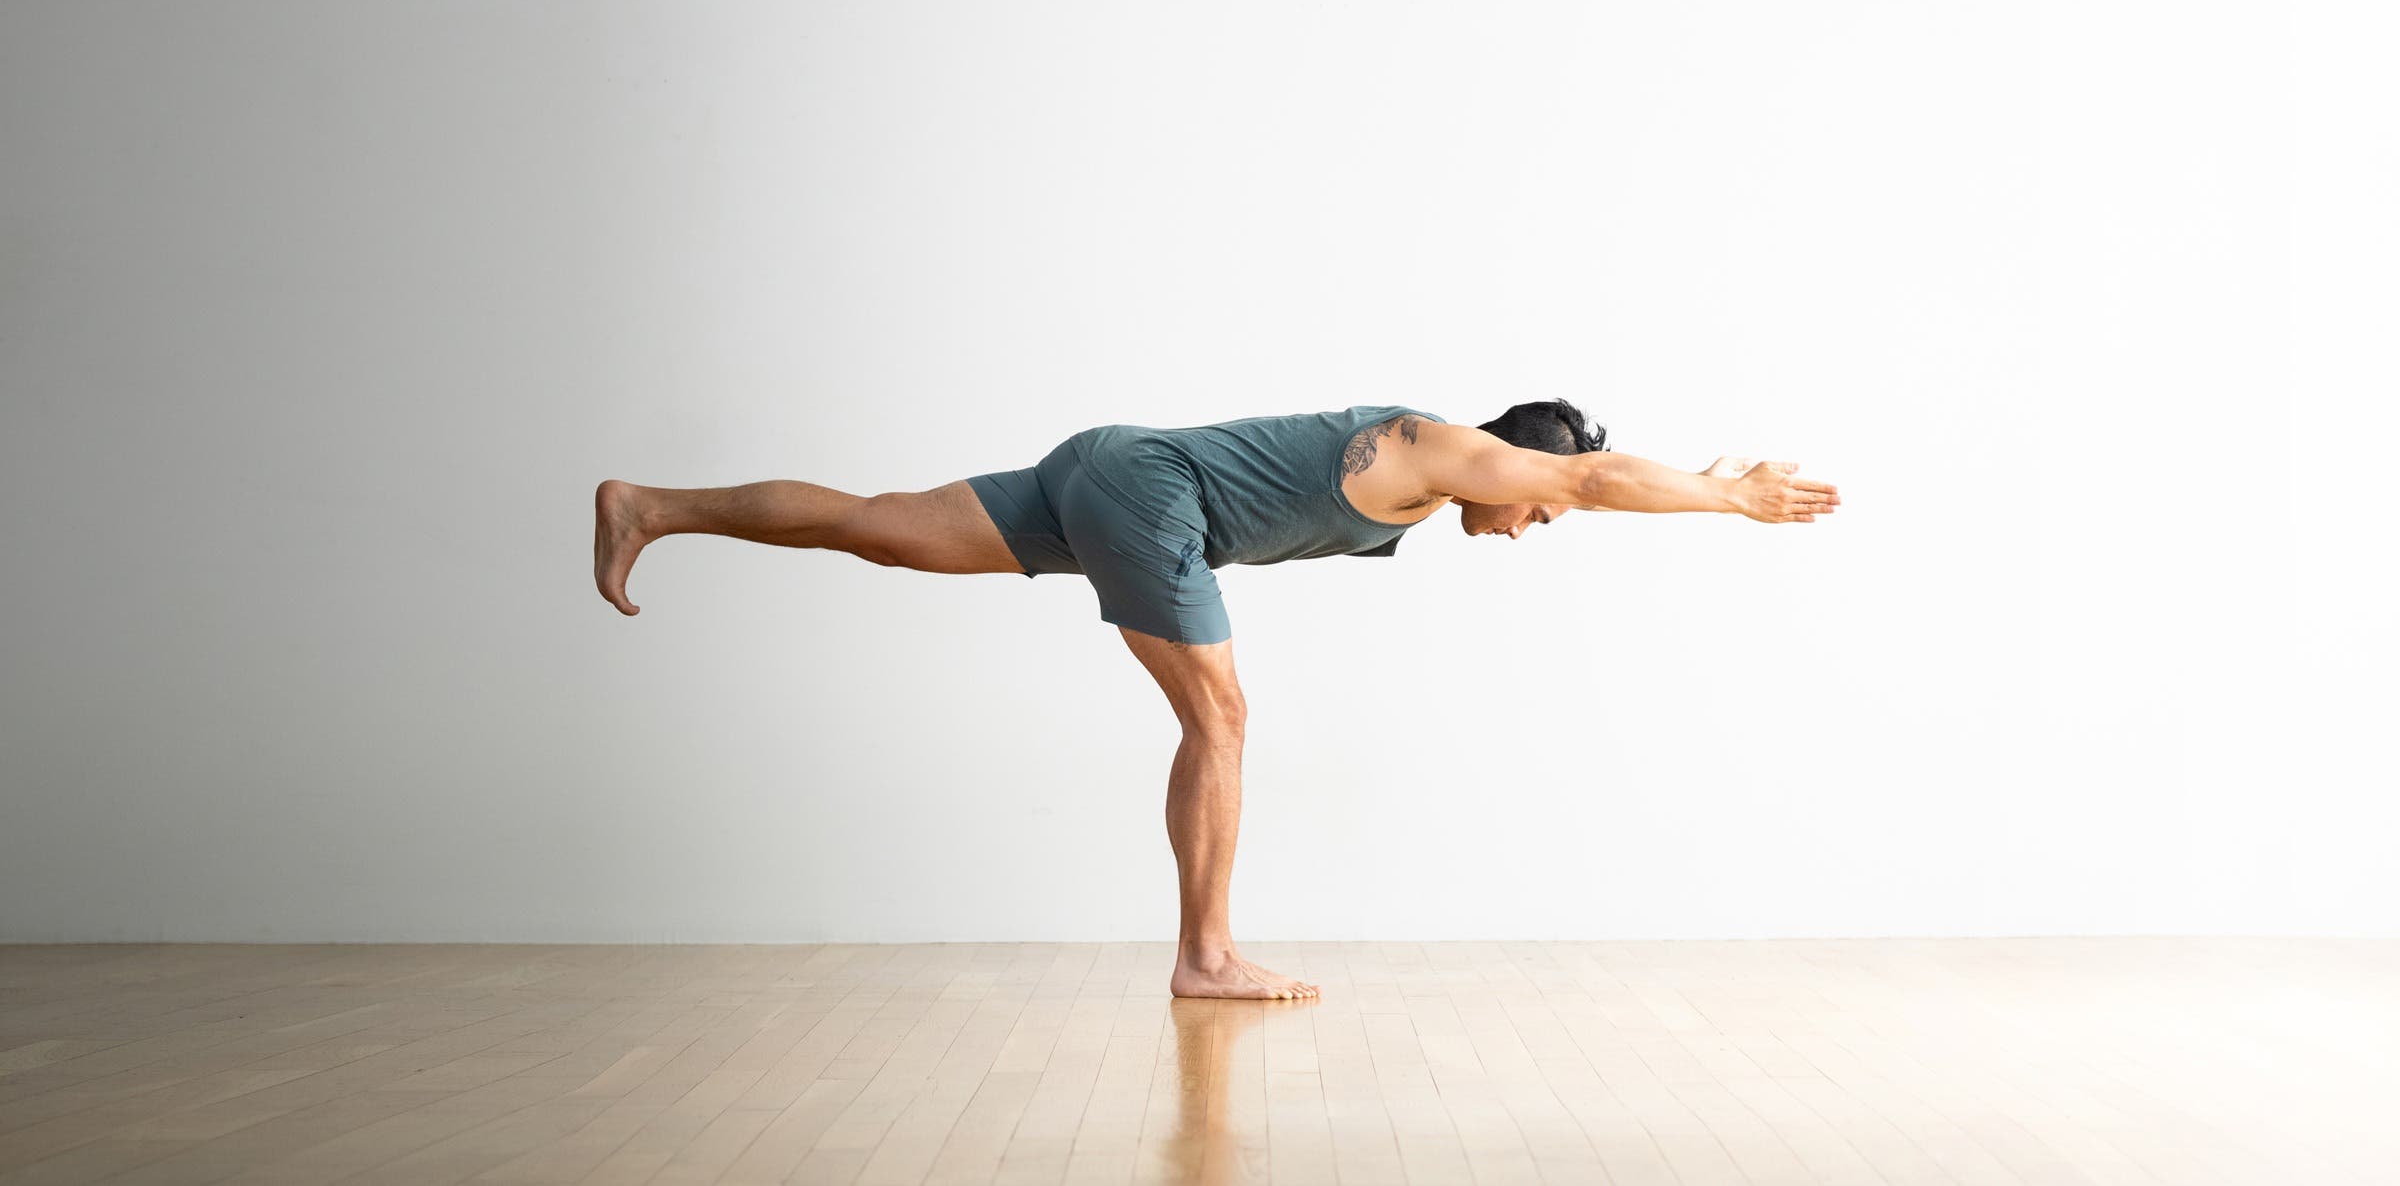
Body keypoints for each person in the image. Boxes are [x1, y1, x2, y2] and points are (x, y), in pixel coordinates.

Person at [592, 399, 1840, 1000]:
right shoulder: (1450, 447)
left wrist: (1703, 477)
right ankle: (1207, 956)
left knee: (880, 530)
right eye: (1540, 512)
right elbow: (1596, 476)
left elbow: (1601, 479)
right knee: (1222, 719)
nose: (1528, 528)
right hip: (1152, 496)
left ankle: (650, 506)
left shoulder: (1433, 474)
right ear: (1521, 465)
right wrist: (1730, 498)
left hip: (1109, 467)